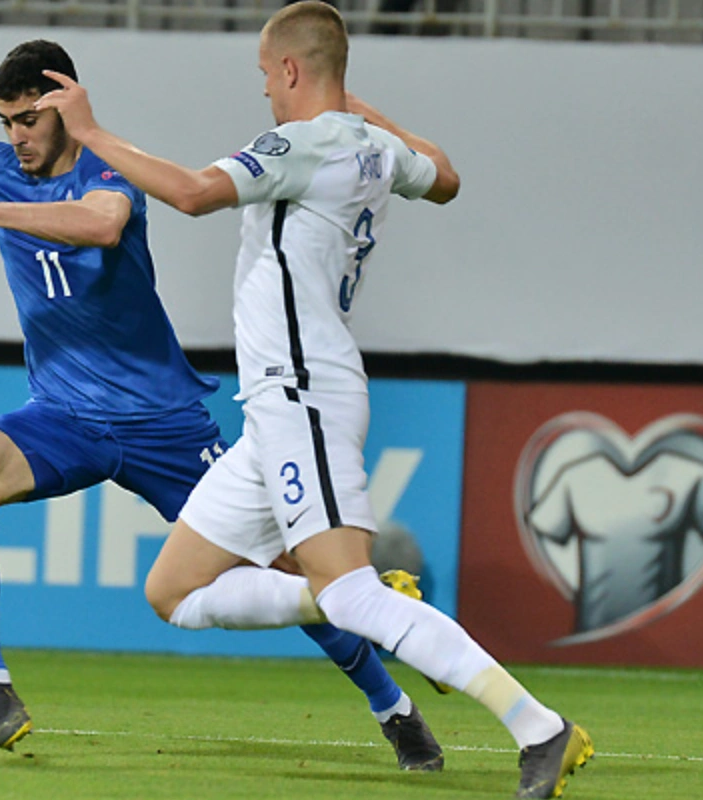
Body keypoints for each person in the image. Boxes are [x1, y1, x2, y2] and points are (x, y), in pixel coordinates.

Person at [34, 4, 595, 798]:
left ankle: (541, 728)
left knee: (352, 591)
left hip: (304, 397)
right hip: (273, 412)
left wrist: (91, 131)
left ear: (291, 70)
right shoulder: (372, 145)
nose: (264, 91)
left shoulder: (296, 146)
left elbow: (194, 193)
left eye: (266, 74)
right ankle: (337, 598)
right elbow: (447, 177)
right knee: (175, 592)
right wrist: (359, 109)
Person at [0, 39, 444, 768]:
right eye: (6, 121)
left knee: (288, 563)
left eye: (29, 118)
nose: (17, 136)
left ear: (65, 105)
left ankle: (394, 708)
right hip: (63, 416)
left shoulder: (107, 169)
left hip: (162, 421)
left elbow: (101, 224)